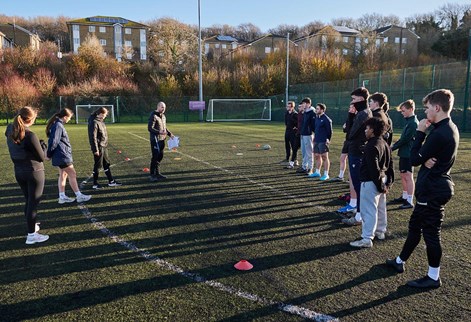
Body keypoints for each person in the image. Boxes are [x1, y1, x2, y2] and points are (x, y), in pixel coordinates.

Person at [386, 89, 459, 289]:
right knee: (414, 226)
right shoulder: (445, 127)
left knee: (431, 233)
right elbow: (424, 158)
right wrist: (425, 157)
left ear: (437, 107)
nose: (425, 112)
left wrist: (419, 132)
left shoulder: (441, 132)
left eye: (427, 108)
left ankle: (433, 277)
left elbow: (415, 159)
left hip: (434, 189)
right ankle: (400, 261)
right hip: (433, 187)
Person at [5, 106, 49, 244]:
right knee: (33, 203)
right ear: (30, 119)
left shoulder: (9, 129)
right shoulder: (30, 135)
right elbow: (42, 157)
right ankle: (31, 235)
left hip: (19, 171)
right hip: (34, 172)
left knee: (28, 201)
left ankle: (32, 227)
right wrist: (43, 145)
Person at [349, 117, 394, 248]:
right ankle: (380, 232)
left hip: (371, 182)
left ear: (373, 130)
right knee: (380, 209)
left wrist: (380, 186)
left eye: (367, 128)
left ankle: (367, 238)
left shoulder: (371, 146)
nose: (365, 130)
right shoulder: (384, 144)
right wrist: (387, 184)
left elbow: (374, 169)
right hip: (382, 180)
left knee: (368, 211)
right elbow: (390, 166)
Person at [46, 108, 91, 204]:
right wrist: (48, 154)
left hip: (61, 154)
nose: (69, 120)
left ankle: (62, 196)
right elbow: (53, 141)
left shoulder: (57, 124)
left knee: (63, 174)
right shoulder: (58, 125)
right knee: (72, 174)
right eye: (69, 118)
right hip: (62, 155)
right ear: (65, 117)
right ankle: (79, 195)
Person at [342, 87, 372, 226]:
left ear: (360, 98)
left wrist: (350, 117)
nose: (352, 102)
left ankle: (360, 215)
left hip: (357, 152)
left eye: (354, 99)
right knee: (357, 184)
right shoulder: (363, 112)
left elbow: (349, 134)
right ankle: (358, 211)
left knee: (358, 185)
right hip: (357, 151)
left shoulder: (362, 114)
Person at [390, 100, 419, 209]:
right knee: (403, 174)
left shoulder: (413, 123)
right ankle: (405, 196)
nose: (402, 113)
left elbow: (405, 139)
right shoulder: (409, 122)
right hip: (404, 152)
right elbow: (404, 139)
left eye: (403, 110)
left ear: (411, 109)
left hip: (408, 154)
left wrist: (392, 147)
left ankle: (410, 201)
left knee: (408, 175)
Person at [88, 107, 121, 189]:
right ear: (100, 114)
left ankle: (111, 181)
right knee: (98, 165)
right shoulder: (94, 122)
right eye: (105, 115)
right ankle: (95, 183)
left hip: (104, 146)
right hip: (99, 147)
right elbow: (93, 137)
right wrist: (95, 149)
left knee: (106, 164)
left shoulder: (100, 121)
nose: (105, 116)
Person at [336, 104, 358, 215]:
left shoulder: (359, 117)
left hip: (353, 144)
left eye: (351, 108)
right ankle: (341, 176)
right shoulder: (350, 117)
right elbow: (345, 129)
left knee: (353, 170)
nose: (349, 109)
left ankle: (354, 202)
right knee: (343, 158)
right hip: (348, 142)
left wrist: (347, 127)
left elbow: (348, 128)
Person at [148, 101, 174, 181]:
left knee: (160, 156)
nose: (163, 109)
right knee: (155, 157)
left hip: (162, 139)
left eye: (164, 107)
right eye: (162, 107)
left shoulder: (163, 116)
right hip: (155, 140)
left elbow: (164, 128)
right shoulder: (153, 115)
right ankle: (152, 175)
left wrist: (170, 134)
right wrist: (159, 132)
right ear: (158, 107)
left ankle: (158, 173)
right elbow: (150, 128)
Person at [308, 103, 332, 180]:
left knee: (324, 157)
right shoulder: (317, 118)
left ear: (322, 110)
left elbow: (330, 131)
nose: (316, 110)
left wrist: (328, 139)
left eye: (317, 109)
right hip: (316, 140)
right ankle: (317, 172)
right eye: (316, 108)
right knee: (317, 156)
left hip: (323, 141)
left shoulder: (326, 119)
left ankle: (326, 174)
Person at [297, 98, 315, 174]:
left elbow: (313, 125)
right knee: (304, 152)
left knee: (309, 152)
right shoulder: (305, 112)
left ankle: (310, 168)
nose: (302, 105)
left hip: (308, 134)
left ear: (308, 104)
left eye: (303, 103)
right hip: (303, 134)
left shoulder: (312, 112)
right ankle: (304, 167)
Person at [282, 101, 299, 169]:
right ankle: (287, 158)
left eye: (289, 106)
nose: (287, 108)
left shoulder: (295, 114)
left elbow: (298, 123)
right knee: (287, 145)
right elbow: (286, 122)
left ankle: (295, 160)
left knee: (294, 146)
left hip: (293, 133)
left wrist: (295, 127)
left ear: (292, 107)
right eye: (287, 106)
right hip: (287, 131)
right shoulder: (286, 113)